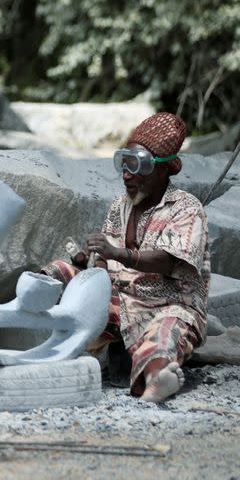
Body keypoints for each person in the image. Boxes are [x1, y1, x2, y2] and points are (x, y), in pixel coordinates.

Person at [42, 112, 210, 402]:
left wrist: (119, 253)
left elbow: (169, 261)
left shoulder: (186, 209)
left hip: (168, 305)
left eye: (137, 164)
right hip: (121, 299)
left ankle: (157, 379)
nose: (126, 173)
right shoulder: (121, 205)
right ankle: (28, 339)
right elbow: (105, 263)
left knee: (164, 336)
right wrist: (90, 264)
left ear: (164, 170)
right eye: (124, 162)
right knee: (58, 274)